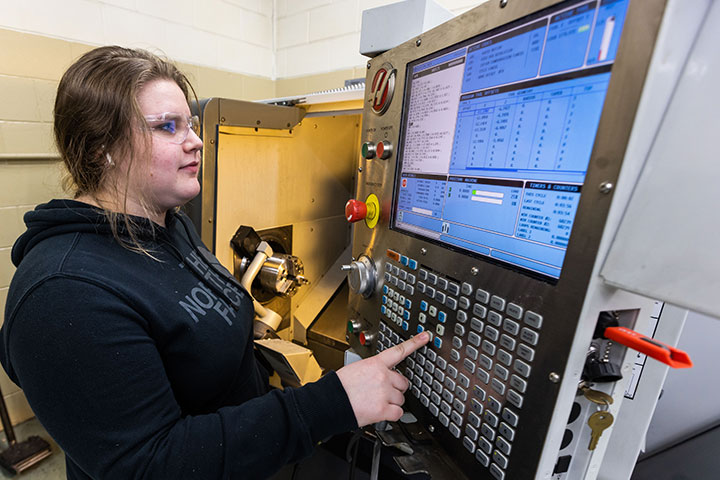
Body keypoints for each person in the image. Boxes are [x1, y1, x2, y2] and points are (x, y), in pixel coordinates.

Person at [0, 46, 429, 479]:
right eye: (168, 127)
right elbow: (153, 465)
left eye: (190, 123)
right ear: (101, 150)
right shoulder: (62, 294)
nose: (196, 141)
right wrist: (328, 405)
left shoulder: (169, 224)